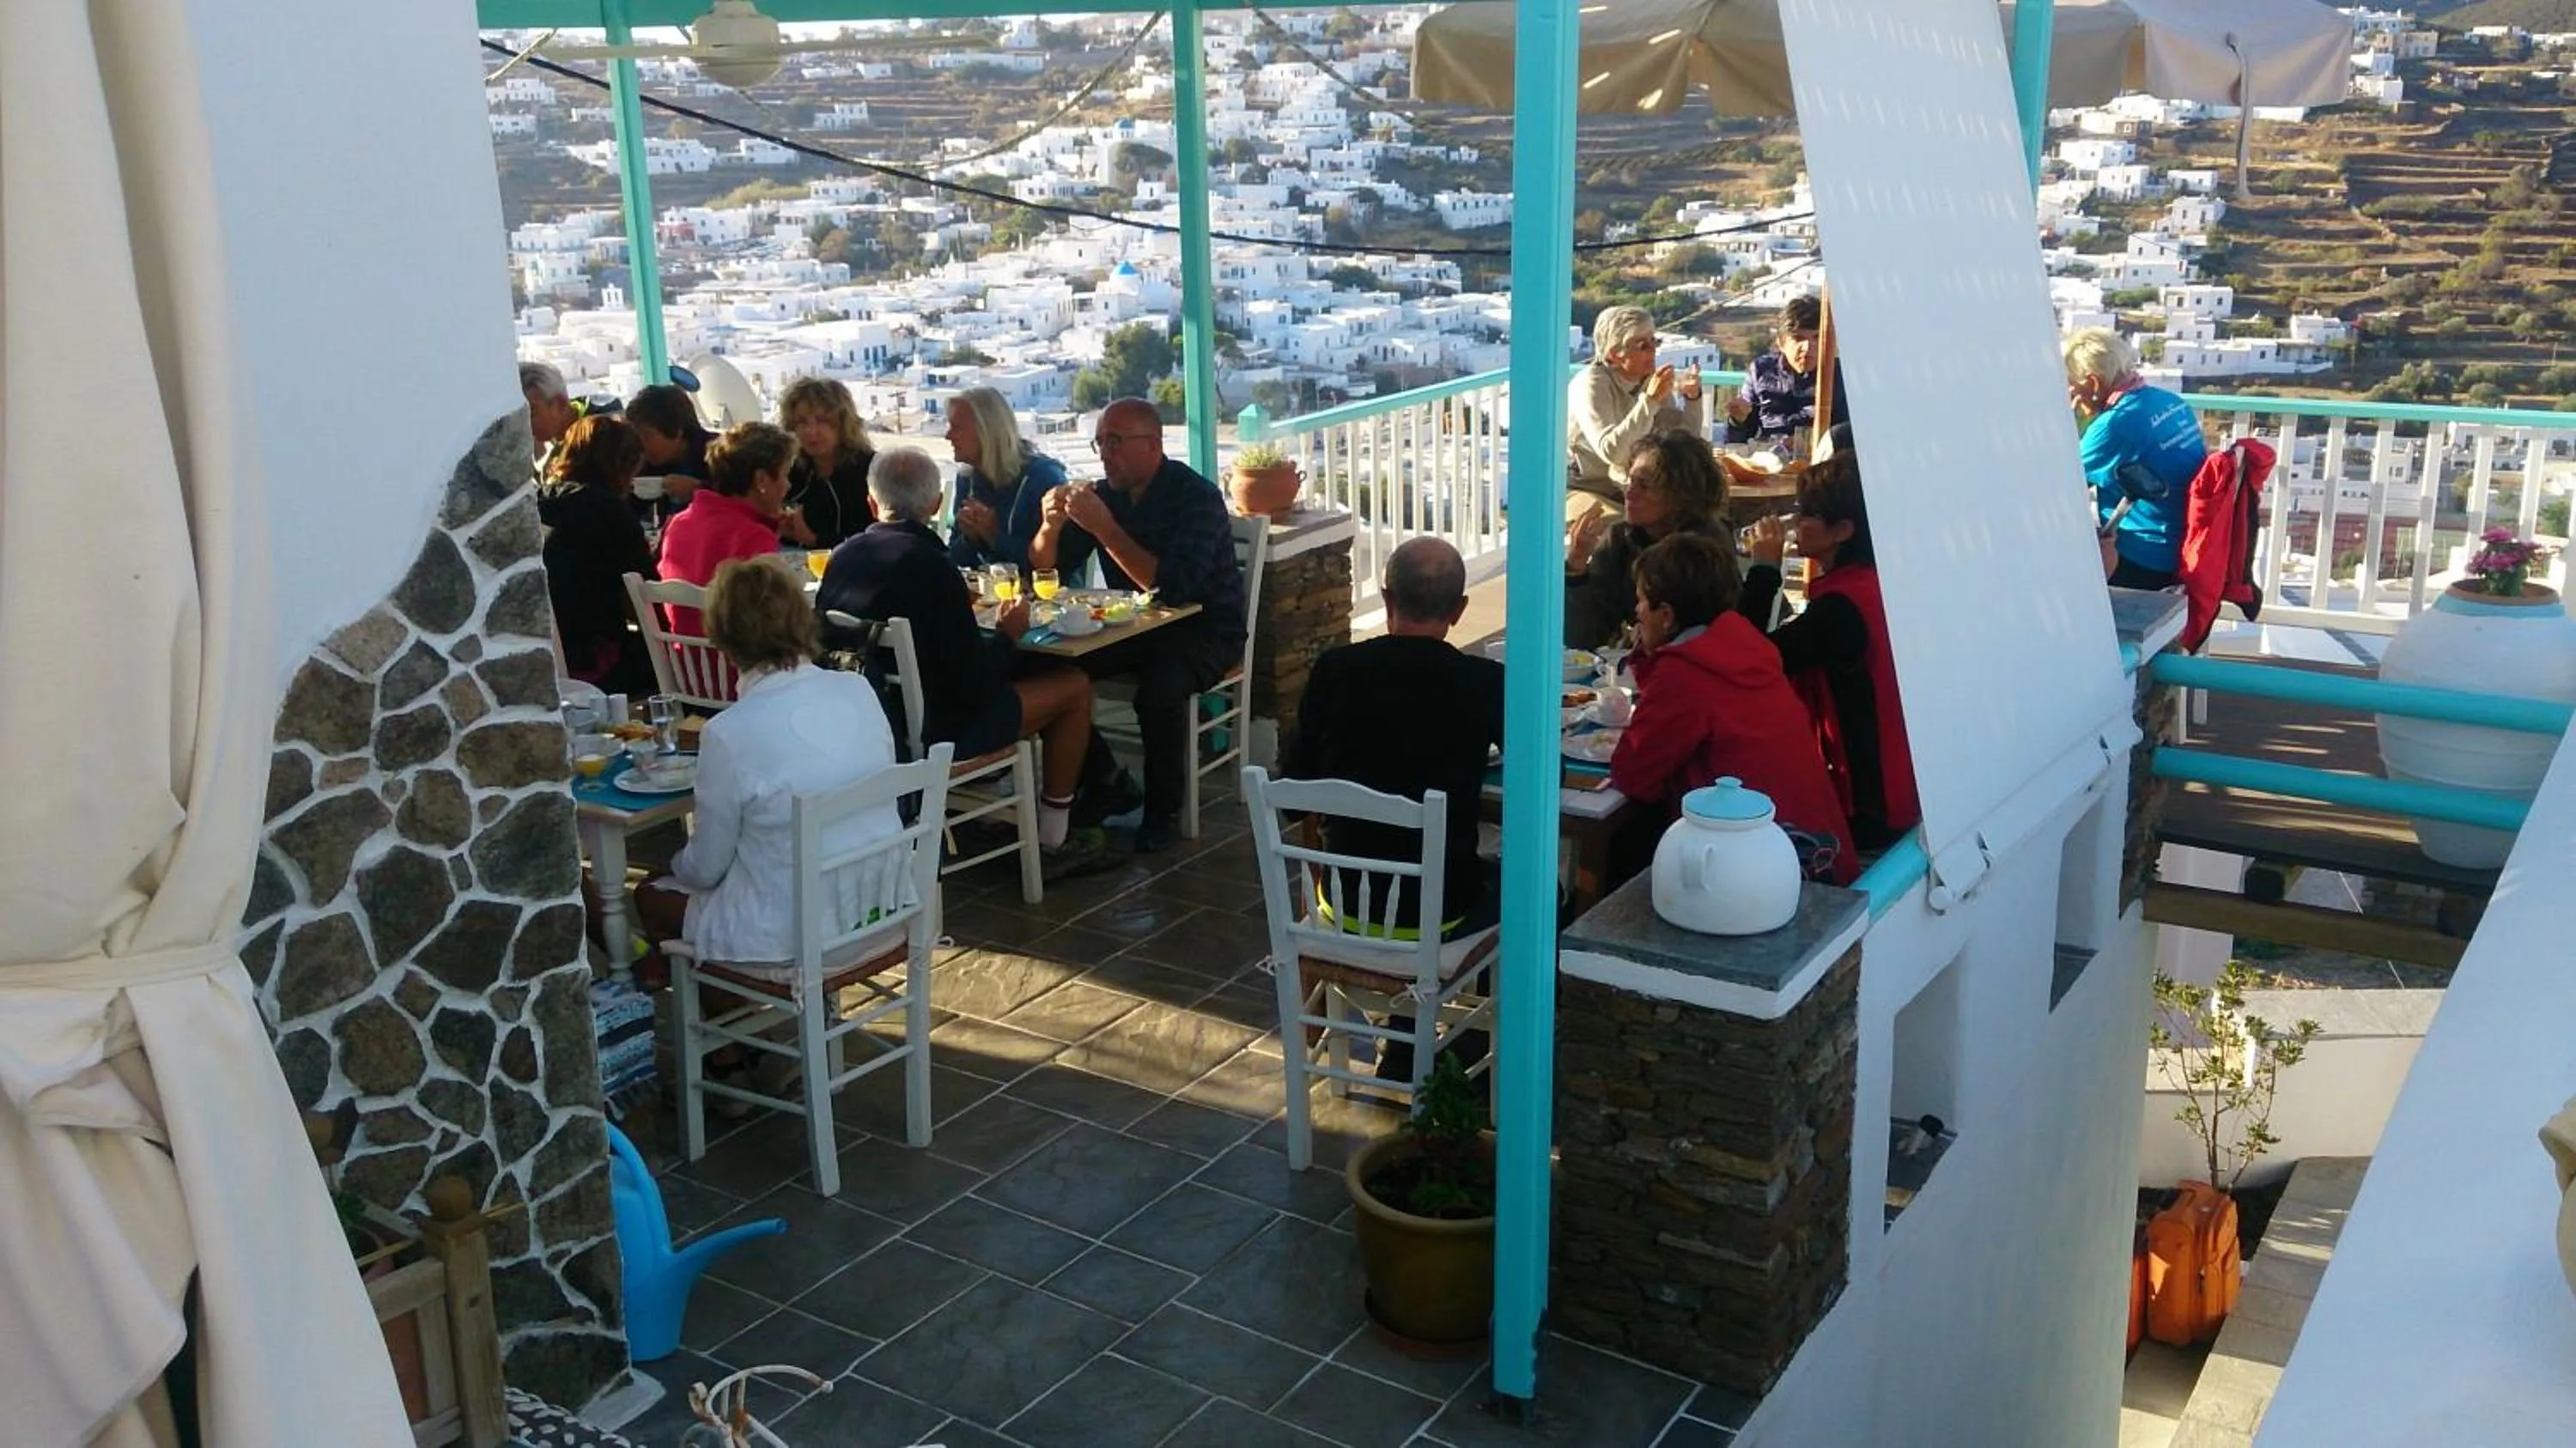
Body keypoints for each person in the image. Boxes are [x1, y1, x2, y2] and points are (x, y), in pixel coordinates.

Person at [817, 447, 1108, 873]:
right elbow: (975, 686)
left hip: (865, 724)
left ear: (870, 501)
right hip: (936, 733)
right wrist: (1008, 637)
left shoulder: (842, 558)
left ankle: (991, 810)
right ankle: (1054, 838)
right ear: (936, 506)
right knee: (1074, 686)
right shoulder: (931, 568)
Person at [1283, 537, 1505, 1082]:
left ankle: (1404, 1041)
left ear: (1387, 598)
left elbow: (1297, 782)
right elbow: (1539, 775)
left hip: (1342, 905)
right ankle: (1472, 1049)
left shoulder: (1335, 670)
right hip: (1441, 916)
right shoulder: (1483, 682)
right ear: (1458, 609)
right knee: (1538, 892)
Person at [630, 560, 902, 1001]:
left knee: (652, 894)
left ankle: (727, 1048)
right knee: (744, 871)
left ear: (723, 638)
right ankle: (745, 1033)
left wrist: (673, 867)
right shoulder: (857, 690)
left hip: (797, 939)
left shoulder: (729, 733)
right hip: (879, 908)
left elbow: (706, 867)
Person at [1031, 397, 1247, 853]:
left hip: (1207, 629)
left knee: (1160, 691)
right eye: (1100, 442)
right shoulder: (1105, 495)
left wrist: (1106, 529)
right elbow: (1046, 573)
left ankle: (1162, 810)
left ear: (1153, 444)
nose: (1105, 453)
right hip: (1134, 624)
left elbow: (1171, 588)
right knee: (1045, 671)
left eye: (1115, 441)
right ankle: (1107, 779)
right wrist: (1050, 528)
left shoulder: (1196, 497)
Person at [1609, 534, 1856, 884]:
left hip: (1767, 869)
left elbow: (1633, 775)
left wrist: (1651, 662)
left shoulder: (1684, 674)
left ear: (1666, 616)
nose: (1636, 612)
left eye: (1641, 602)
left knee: (1627, 846)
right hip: (1820, 851)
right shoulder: (1746, 645)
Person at [1741, 455, 1922, 851]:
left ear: (1842, 530)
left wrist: (1764, 570)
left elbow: (1742, 662)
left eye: (1807, 512)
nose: (1794, 520)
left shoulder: (1840, 610)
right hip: (1908, 785)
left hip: (1869, 806)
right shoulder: (1885, 582)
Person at [1567, 305, 1707, 569]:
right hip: (1588, 487)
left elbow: (1681, 440)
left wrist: (1692, 399)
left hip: (1632, 487)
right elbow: (1612, 451)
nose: (1652, 350)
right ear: (1614, 353)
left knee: (1696, 521)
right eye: (1641, 344)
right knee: (1630, 530)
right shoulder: (1592, 384)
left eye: (1654, 341)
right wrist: (1650, 402)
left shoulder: (1647, 382)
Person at [1564, 430, 1732, 651]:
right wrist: (1576, 568)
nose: (1630, 493)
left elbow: (1713, 636)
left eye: (1645, 485)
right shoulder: (1620, 539)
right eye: (1630, 481)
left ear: (1681, 496)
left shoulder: (1705, 547)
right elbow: (1585, 639)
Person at [2063, 326, 2203, 591]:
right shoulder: (2170, 401)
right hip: (2180, 546)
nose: (2069, 393)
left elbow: (2059, 478)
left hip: (2144, 557)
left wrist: (2075, 420)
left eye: (2071, 385)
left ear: (2093, 383)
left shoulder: (2115, 423)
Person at [537, 414, 658, 697]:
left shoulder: (542, 499)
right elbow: (643, 598)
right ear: (624, 465)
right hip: (596, 658)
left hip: (552, 652)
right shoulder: (608, 512)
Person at [656, 421, 796, 637]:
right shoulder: (752, 537)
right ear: (762, 480)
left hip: (686, 663)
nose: (788, 486)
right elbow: (771, 624)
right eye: (785, 475)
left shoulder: (678, 523)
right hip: (741, 665)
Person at [946, 386, 1068, 573]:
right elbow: (955, 561)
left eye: (957, 427)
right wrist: (970, 539)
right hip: (988, 598)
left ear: (987, 431)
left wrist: (995, 537)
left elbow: (1053, 568)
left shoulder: (1043, 478)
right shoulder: (967, 479)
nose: (948, 436)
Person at [1724, 295, 1849, 452]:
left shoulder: (1840, 376)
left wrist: (1809, 443)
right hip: (1769, 463)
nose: (1808, 347)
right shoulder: (1761, 370)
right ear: (1781, 342)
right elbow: (1738, 442)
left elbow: (1847, 438)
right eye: (1798, 338)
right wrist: (1737, 420)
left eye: (1817, 338)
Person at [777, 376, 877, 550]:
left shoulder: (871, 471)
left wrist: (813, 540)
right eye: (801, 422)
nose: (811, 431)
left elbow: (877, 542)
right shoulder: (788, 470)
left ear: (843, 423)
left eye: (822, 421)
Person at [627, 382, 714, 526]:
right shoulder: (651, 463)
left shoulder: (721, 455)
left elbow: (747, 500)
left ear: (677, 430)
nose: (639, 445)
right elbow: (629, 510)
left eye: (646, 435)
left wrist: (699, 490)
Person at [521, 361, 578, 454]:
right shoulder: (551, 441)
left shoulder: (601, 436)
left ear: (560, 403)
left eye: (531, 414)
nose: (525, 425)